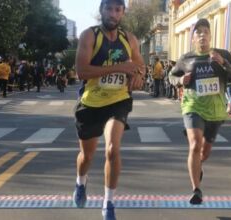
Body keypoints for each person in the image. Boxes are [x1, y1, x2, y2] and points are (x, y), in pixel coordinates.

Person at [73, 0, 144, 219]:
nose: (113, 14)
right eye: (109, 9)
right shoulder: (89, 36)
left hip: (119, 100)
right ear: (101, 11)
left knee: (113, 149)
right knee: (87, 155)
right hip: (91, 102)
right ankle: (80, 183)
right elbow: (81, 71)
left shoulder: (129, 39)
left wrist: (139, 76)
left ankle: (108, 203)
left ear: (122, 13)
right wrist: (120, 67)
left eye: (118, 10)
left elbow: (140, 65)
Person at [169, 18, 231, 205]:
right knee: (194, 145)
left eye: (206, 32)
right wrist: (180, 81)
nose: (202, 35)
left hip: (216, 111)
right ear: (193, 38)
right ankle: (196, 189)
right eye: (198, 32)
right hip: (192, 106)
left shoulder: (222, 54)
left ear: (211, 36)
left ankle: (198, 165)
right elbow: (171, 75)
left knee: (205, 152)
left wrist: (224, 63)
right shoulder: (186, 58)